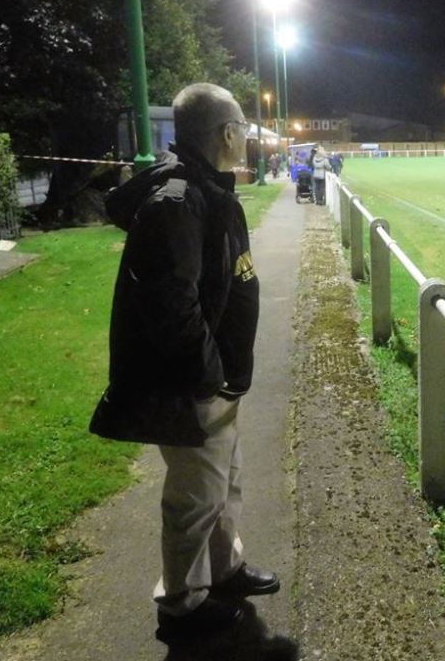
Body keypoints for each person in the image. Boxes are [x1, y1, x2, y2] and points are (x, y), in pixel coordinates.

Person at [89, 83, 278, 638]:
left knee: (224, 484)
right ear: (227, 133)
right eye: (242, 127)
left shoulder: (205, 189)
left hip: (219, 381)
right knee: (195, 497)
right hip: (196, 384)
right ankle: (182, 606)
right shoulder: (178, 202)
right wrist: (209, 376)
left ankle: (223, 570)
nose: (246, 137)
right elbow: (172, 306)